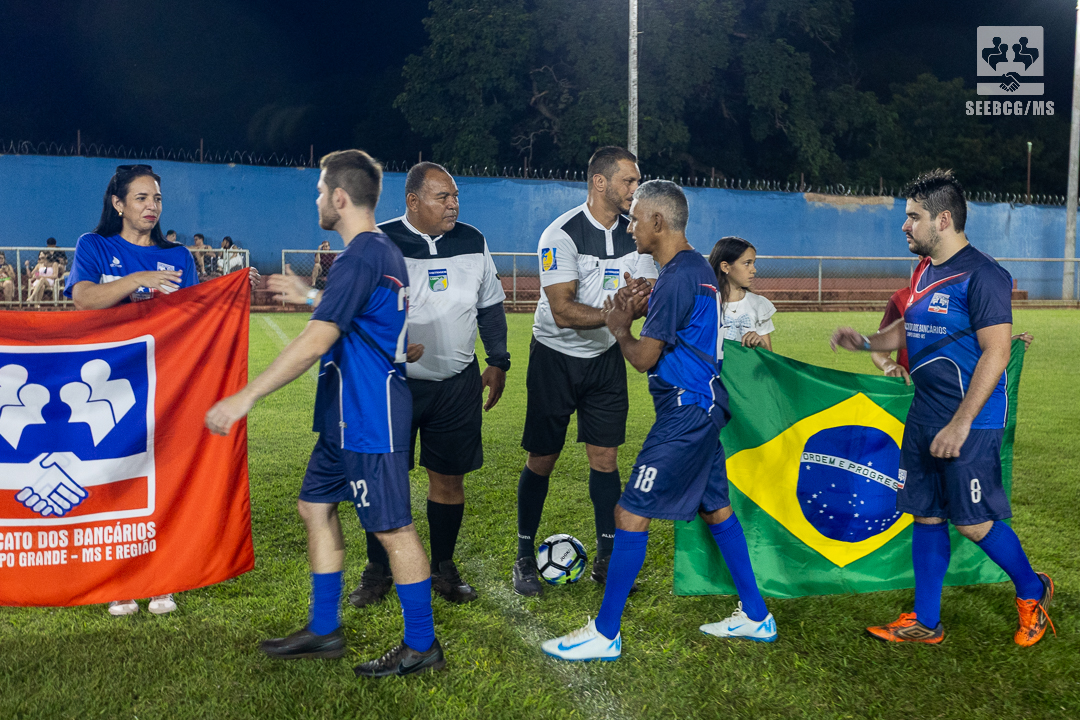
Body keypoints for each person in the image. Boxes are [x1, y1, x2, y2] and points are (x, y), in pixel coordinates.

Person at [205, 149, 446, 678]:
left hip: (369, 416)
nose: (316, 200)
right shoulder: (375, 251)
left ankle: (422, 645)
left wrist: (246, 397)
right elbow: (367, 316)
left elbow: (317, 341)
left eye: (319, 191)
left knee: (394, 529)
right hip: (344, 417)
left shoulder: (361, 256)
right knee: (314, 506)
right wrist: (312, 292)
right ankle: (324, 630)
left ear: (339, 197)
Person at [542, 181, 777, 661]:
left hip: (685, 412)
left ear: (657, 222)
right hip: (701, 406)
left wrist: (618, 326)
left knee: (630, 512)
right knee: (716, 508)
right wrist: (641, 304)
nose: (630, 227)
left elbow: (644, 358)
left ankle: (605, 633)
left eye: (635, 218)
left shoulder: (677, 275)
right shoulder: (693, 269)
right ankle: (757, 615)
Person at [831, 169, 1054, 647]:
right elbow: (909, 329)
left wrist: (961, 422)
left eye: (914, 217)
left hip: (970, 421)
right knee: (927, 514)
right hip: (925, 415)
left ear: (944, 219)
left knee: (973, 522)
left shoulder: (984, 274)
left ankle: (1033, 590)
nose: (905, 226)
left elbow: (996, 352)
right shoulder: (923, 269)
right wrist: (867, 342)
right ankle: (926, 622)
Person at [351, 162, 510, 607]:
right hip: (393, 384)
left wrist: (498, 360)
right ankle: (377, 570)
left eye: (455, 196)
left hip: (457, 384)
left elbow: (490, 306)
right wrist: (388, 348)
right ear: (413, 201)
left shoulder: (473, 240)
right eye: (443, 197)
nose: (453, 204)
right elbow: (354, 312)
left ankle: (443, 567)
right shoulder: (379, 242)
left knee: (449, 480)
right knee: (385, 480)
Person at [513, 146, 658, 597]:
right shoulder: (561, 234)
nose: (635, 189)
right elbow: (562, 310)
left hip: (606, 359)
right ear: (600, 182)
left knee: (606, 458)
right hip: (554, 357)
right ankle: (523, 555)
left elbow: (648, 295)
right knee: (543, 458)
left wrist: (638, 303)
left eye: (637, 182)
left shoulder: (636, 234)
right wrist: (618, 315)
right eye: (628, 181)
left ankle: (607, 557)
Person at [64, 164, 196, 614]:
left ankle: (162, 579)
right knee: (115, 479)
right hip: (108, 386)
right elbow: (83, 297)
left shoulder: (180, 257)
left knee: (164, 479)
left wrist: (231, 292)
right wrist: (139, 280)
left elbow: (196, 316)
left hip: (165, 382)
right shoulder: (94, 246)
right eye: (141, 198)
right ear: (118, 204)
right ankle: (118, 581)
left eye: (156, 198)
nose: (151, 206)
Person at [871, 285, 1034, 383]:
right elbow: (879, 351)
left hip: (955, 389)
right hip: (911, 388)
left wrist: (1006, 344)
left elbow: (973, 342)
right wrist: (888, 364)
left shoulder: (965, 298)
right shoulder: (900, 299)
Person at [709, 236, 776, 351]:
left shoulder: (758, 304)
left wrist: (762, 345)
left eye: (753, 263)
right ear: (725, 267)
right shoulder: (705, 304)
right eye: (747, 263)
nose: (753, 270)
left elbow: (768, 355)